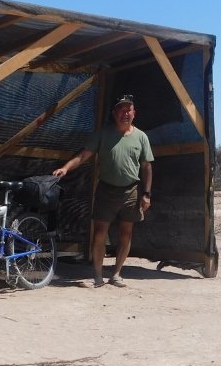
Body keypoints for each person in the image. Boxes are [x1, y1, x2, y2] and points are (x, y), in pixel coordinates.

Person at [53, 94, 153, 288]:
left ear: (134, 113)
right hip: (106, 190)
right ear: (114, 113)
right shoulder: (103, 134)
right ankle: (97, 276)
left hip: (131, 191)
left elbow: (147, 166)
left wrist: (146, 194)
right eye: (121, 110)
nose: (125, 113)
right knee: (100, 233)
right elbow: (83, 155)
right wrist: (65, 168)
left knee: (126, 233)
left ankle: (116, 274)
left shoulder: (141, 137)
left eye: (128, 110)